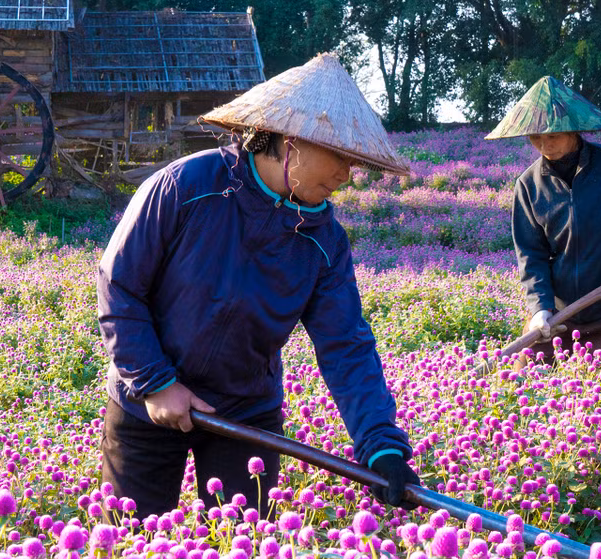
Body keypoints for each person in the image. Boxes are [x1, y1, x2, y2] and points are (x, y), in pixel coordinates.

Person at [97, 53, 420, 519]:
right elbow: (120, 284)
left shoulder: (324, 240)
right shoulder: (186, 188)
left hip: (244, 413)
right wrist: (156, 383)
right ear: (292, 143)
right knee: (129, 543)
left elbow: (345, 344)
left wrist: (381, 445)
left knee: (246, 558)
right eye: (340, 158)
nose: (346, 176)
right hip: (144, 402)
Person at [485, 76, 601, 361]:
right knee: (527, 377)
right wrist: (540, 308)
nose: (544, 144)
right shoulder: (528, 185)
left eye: (553, 135)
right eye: (536, 136)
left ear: (574, 131)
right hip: (559, 313)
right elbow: (530, 254)